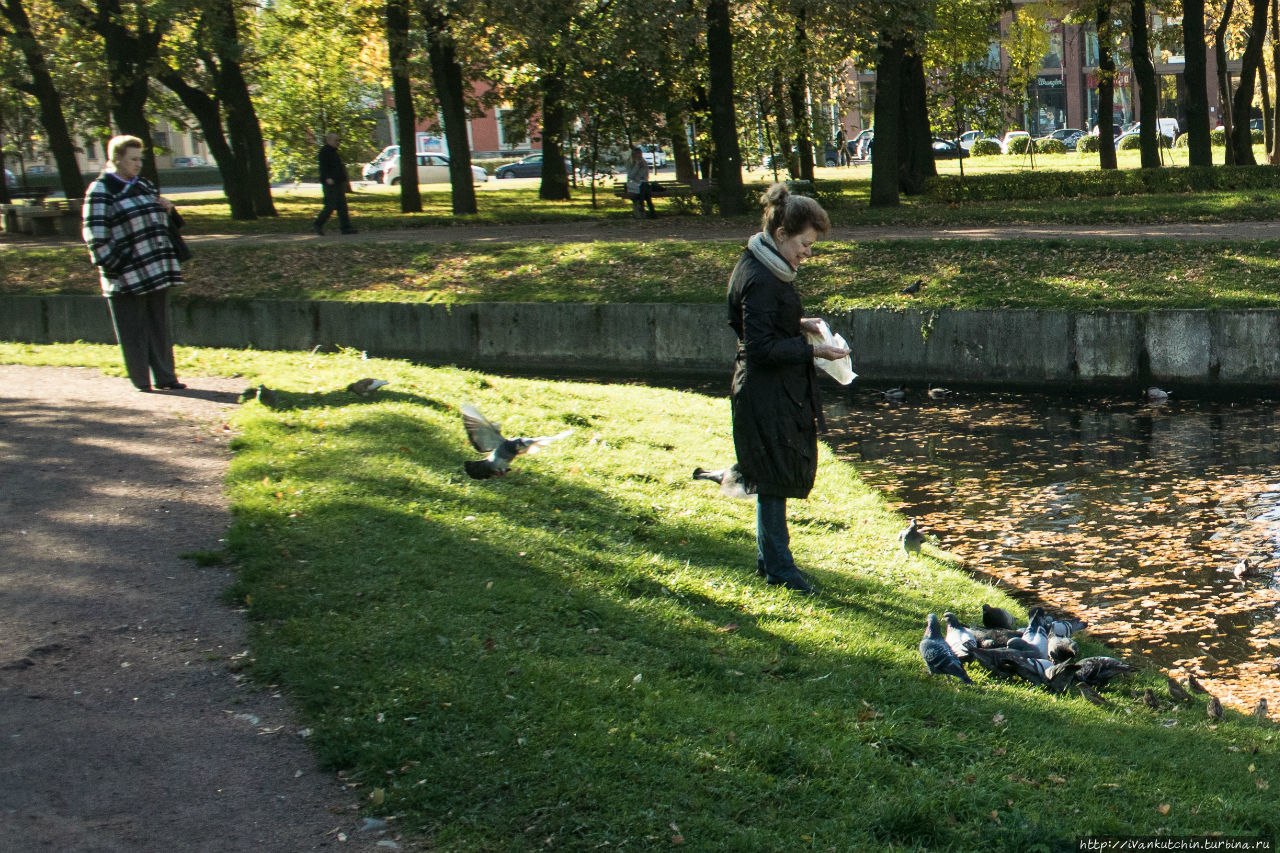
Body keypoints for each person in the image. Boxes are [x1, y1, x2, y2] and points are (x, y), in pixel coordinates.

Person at [726, 183, 849, 594]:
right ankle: (780, 569)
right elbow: (759, 346)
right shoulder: (761, 278)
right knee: (774, 480)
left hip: (768, 389)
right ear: (781, 235)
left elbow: (757, 325)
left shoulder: (764, 266)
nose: (807, 254)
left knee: (771, 479)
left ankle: (773, 563)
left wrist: (803, 324)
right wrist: (818, 353)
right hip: (764, 392)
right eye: (804, 244)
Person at [82, 135, 186, 392]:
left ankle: (166, 377)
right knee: (132, 329)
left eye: (141, 159)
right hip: (125, 273)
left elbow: (162, 222)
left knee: (158, 325)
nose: (138, 164)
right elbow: (94, 234)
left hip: (155, 267)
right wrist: (116, 265)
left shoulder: (144, 185)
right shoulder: (101, 190)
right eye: (133, 159)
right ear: (116, 159)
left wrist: (168, 210)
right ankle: (141, 380)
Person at [313, 131, 356, 235]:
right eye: (336, 140)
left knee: (342, 206)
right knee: (330, 206)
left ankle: (345, 228)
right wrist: (327, 178)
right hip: (330, 183)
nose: (338, 142)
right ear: (329, 140)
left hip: (338, 182)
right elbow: (323, 167)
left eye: (338, 140)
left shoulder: (334, 152)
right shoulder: (324, 151)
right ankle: (318, 224)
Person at [625, 146, 656, 219]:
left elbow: (646, 175)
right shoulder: (630, 163)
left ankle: (643, 206)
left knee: (643, 186)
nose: (639, 156)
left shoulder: (644, 162)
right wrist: (637, 166)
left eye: (640, 154)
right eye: (637, 154)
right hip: (633, 184)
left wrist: (643, 178)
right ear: (634, 155)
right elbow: (631, 176)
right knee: (645, 189)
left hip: (642, 184)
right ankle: (651, 210)